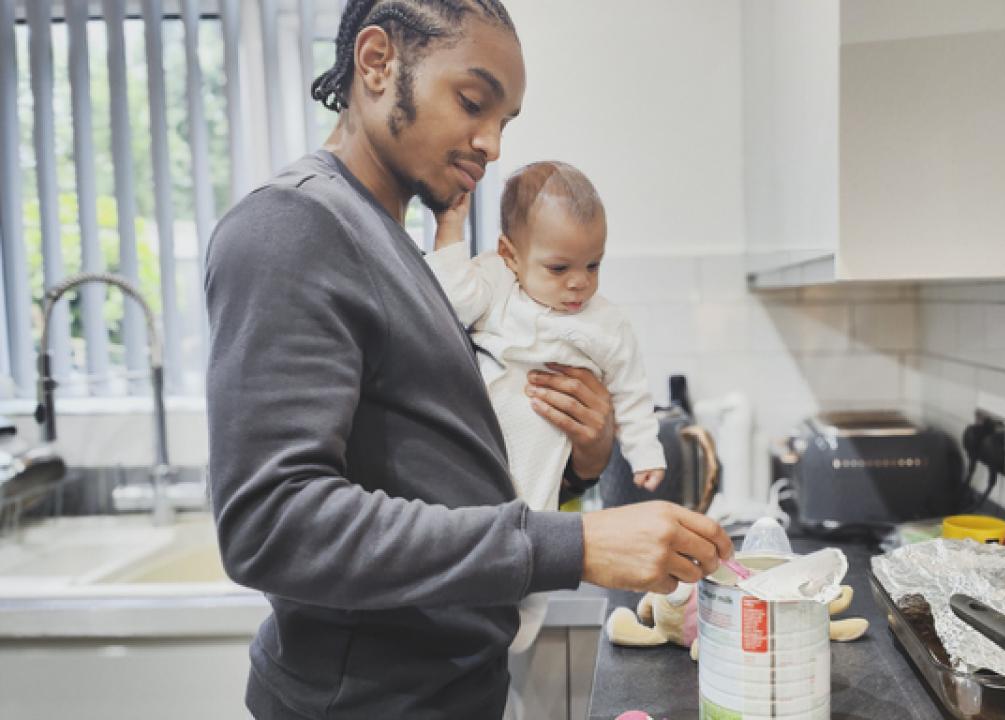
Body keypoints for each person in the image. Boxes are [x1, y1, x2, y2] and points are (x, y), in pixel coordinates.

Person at [203, 1, 733, 718]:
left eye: (505, 122)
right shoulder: (291, 228)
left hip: (453, 689)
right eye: (473, 102)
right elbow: (275, 523)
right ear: (377, 62)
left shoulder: (390, 246)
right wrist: (568, 545)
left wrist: (580, 459)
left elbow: (428, 470)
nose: (491, 143)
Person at [429, 160, 667, 656]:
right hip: (485, 426)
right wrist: (449, 228)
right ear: (509, 255)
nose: (579, 284)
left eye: (594, 265)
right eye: (559, 268)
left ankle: (521, 615)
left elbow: (631, 389)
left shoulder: (606, 323)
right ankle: (489, 606)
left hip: (544, 440)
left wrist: (645, 451)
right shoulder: (494, 281)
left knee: (534, 516)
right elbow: (451, 300)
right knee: (481, 518)